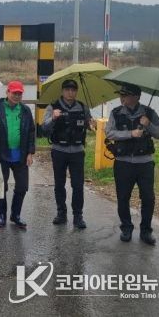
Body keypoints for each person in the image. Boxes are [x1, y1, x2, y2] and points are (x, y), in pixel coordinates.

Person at [105, 84, 159, 245]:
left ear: (136, 97)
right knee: (123, 197)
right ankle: (126, 228)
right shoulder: (116, 113)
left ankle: (146, 231)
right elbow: (109, 132)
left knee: (148, 198)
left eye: (125, 95)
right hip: (123, 163)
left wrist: (148, 125)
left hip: (145, 164)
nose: (121, 98)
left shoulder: (149, 113)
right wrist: (130, 133)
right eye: (121, 95)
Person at [42, 79, 95, 229]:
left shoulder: (82, 107)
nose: (70, 93)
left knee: (78, 185)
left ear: (76, 91)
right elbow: (44, 128)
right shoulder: (53, 106)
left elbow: (89, 125)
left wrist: (92, 124)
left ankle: (78, 216)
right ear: (62, 91)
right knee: (59, 184)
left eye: (73, 90)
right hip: (59, 150)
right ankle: (61, 213)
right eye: (67, 90)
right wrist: (53, 118)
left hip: (77, 152)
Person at [0, 81, 35, 229]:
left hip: (21, 155)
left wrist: (30, 152)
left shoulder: (25, 110)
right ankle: (2, 215)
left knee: (22, 187)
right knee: (1, 187)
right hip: (1, 154)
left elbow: (31, 131)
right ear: (7, 92)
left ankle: (15, 215)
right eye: (14, 93)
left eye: (19, 93)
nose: (17, 96)